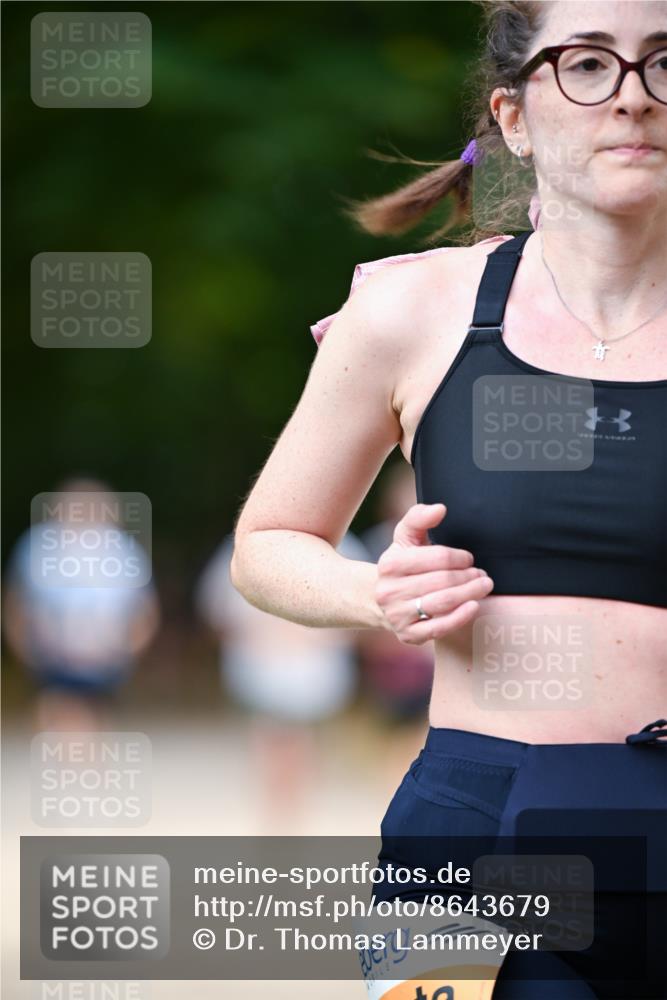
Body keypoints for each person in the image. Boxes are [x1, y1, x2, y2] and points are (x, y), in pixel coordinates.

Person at [230, 2, 666, 997]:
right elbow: (269, 542)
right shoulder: (411, 311)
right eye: (588, 66)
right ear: (514, 116)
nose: (634, 96)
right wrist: (374, 596)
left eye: (662, 62)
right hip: (479, 826)